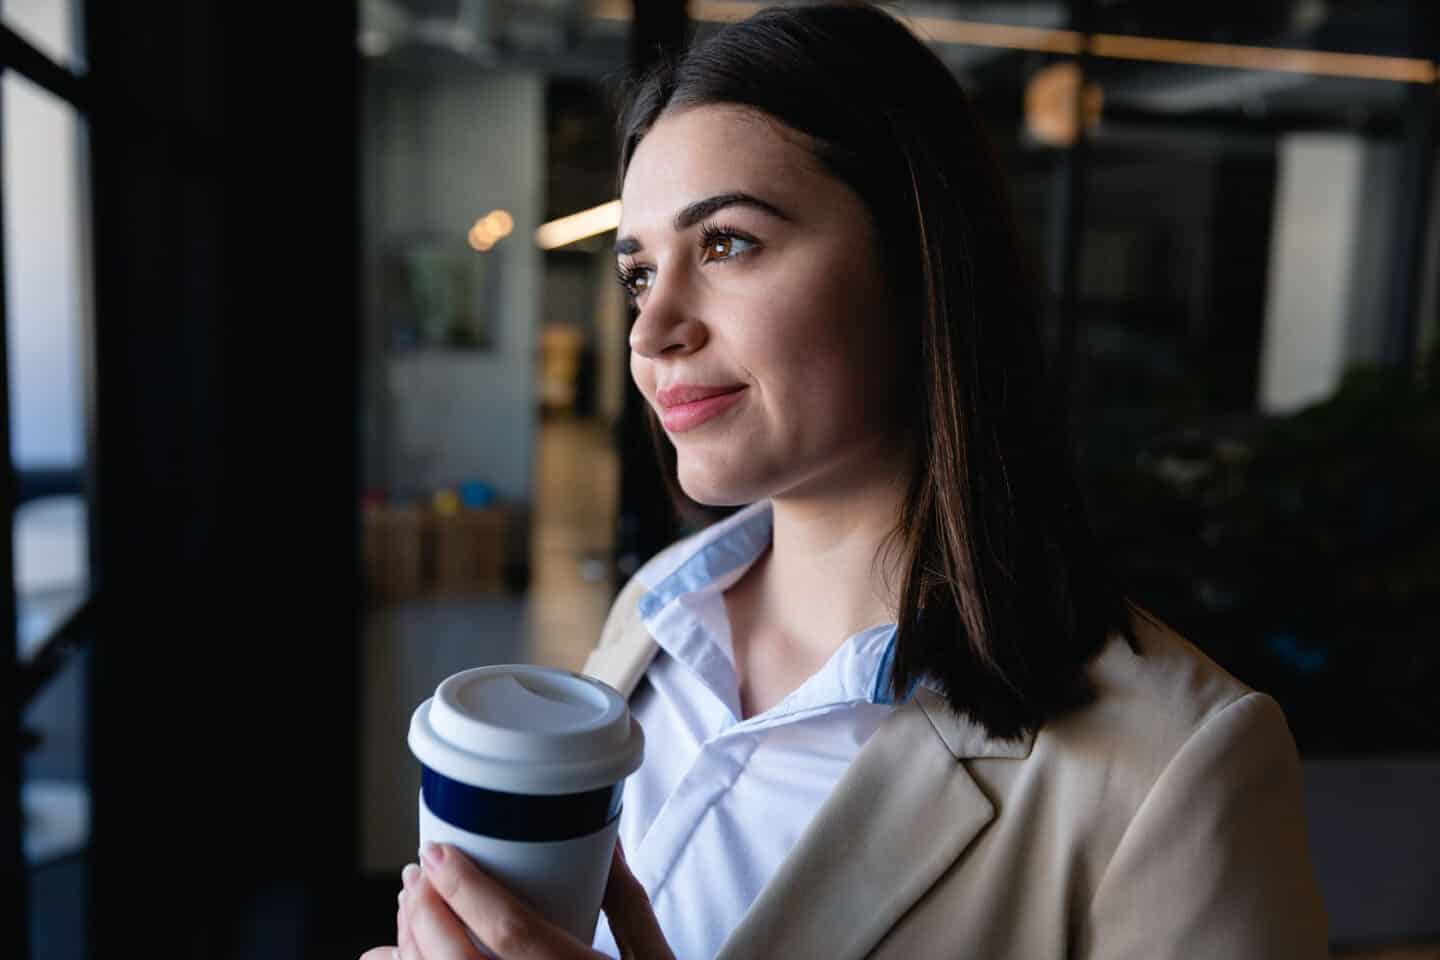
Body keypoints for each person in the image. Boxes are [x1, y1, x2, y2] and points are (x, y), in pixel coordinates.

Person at [363, 3, 1330, 957]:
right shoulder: (654, 619)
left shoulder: (1177, 766)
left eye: (727, 244)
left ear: (918, 261)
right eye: (640, 273)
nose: (652, 332)